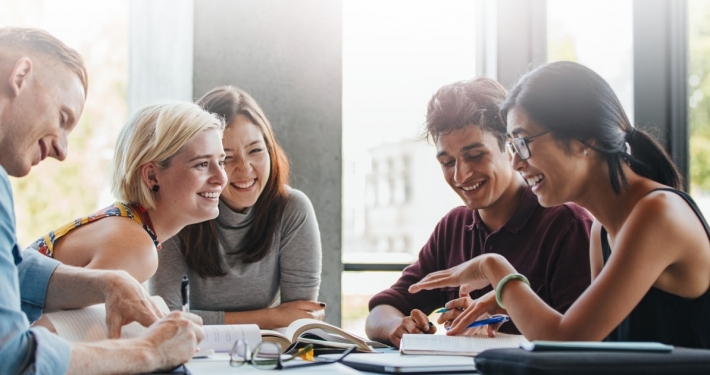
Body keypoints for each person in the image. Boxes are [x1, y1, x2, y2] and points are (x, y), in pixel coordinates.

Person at [410, 61, 710, 348]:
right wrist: (507, 302)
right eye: (512, 147)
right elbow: (591, 348)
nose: (515, 163)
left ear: (583, 139)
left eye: (523, 143)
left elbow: (567, 341)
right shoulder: (601, 231)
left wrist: (494, 269)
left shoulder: (657, 214)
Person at [0, 27, 205, 374]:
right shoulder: (136, 245)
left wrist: (108, 282)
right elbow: (12, 357)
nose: (63, 151)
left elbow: (13, 270)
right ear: (20, 76)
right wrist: (147, 352)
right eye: (63, 118)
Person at [365, 77, 593, 347]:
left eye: (475, 156)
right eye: (448, 162)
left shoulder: (566, 224)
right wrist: (397, 326)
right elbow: (382, 310)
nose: (460, 175)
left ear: (510, 148)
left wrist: (498, 321)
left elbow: (580, 342)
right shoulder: (453, 227)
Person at [150, 86, 324, 329]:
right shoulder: (179, 210)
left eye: (255, 150)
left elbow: (299, 318)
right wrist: (271, 317)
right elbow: (166, 318)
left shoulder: (292, 209)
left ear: (270, 149)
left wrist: (281, 319)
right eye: (226, 158)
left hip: (269, 353)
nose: (245, 169)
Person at [26, 101, 228, 284]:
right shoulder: (135, 248)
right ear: (152, 176)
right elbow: (55, 323)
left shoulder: (127, 224)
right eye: (202, 164)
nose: (221, 178)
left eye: (221, 162)